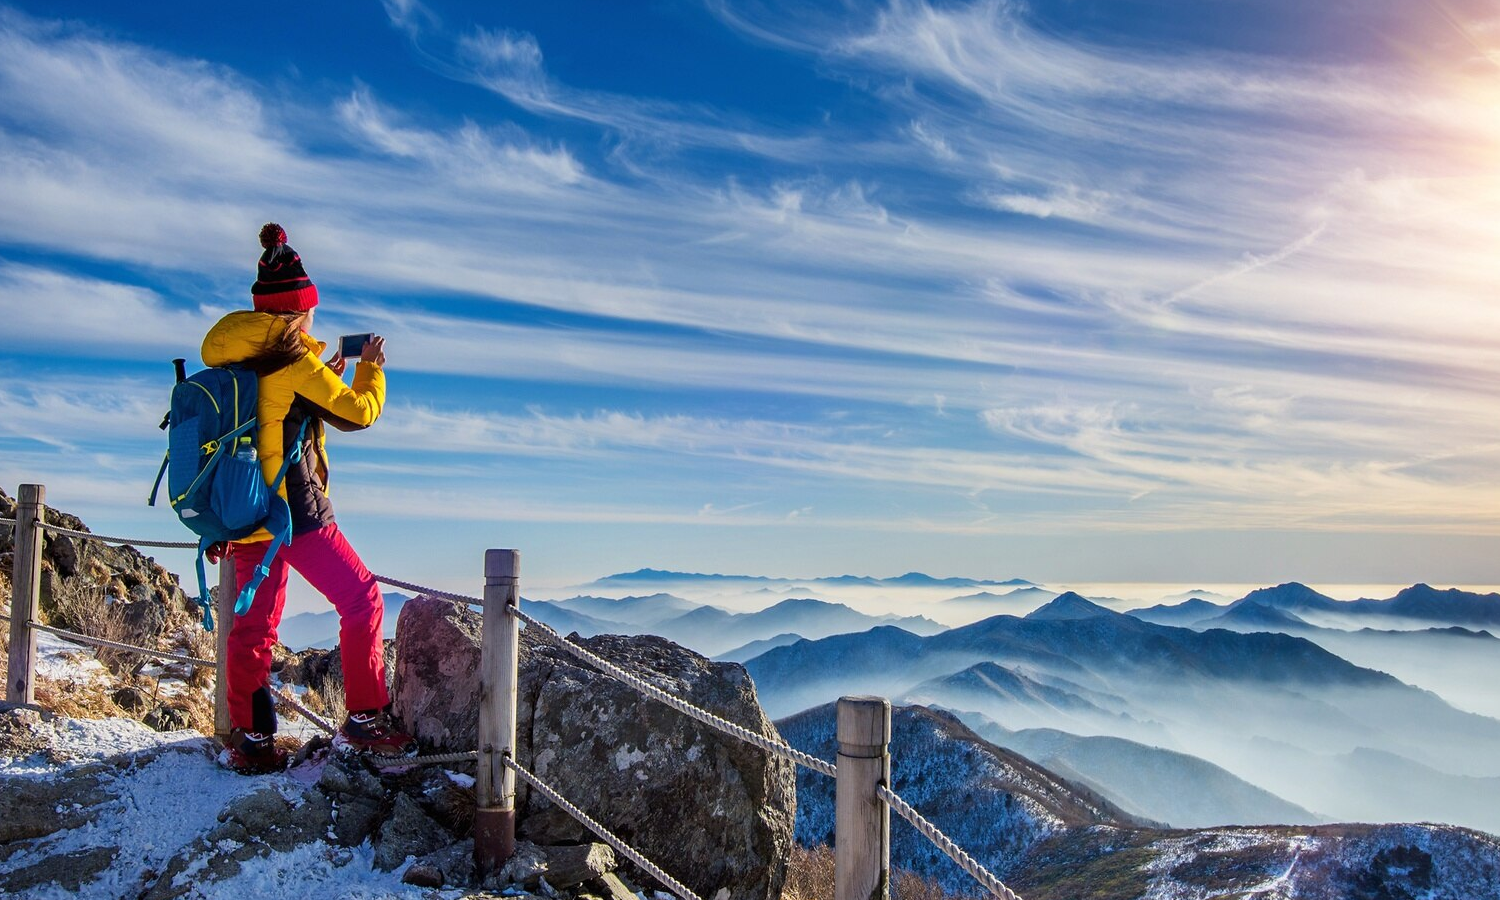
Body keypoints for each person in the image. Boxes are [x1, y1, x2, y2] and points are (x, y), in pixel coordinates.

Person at [202, 223, 416, 774]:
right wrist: (370, 369)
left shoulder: (237, 358)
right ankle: (365, 719)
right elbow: (358, 414)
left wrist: (325, 376)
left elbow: (275, 413)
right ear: (299, 312)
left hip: (244, 506)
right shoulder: (295, 362)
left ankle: (250, 741)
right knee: (363, 599)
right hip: (294, 511)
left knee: (253, 629)